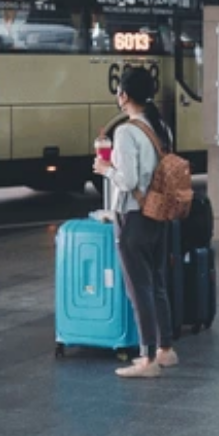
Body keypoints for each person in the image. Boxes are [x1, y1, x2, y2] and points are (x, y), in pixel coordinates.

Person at [93, 67, 178, 379]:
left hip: (134, 217)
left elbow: (128, 181)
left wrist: (105, 168)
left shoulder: (126, 132)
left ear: (124, 95)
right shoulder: (161, 126)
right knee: (157, 283)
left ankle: (147, 358)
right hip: (159, 213)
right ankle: (165, 349)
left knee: (138, 288)